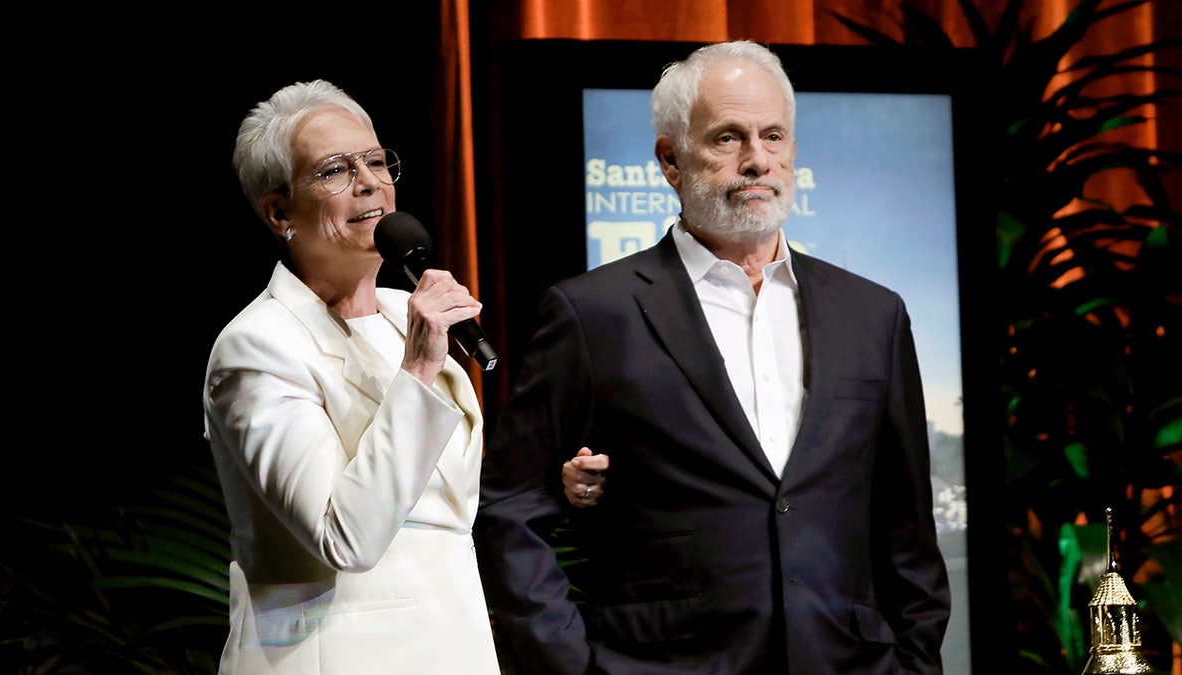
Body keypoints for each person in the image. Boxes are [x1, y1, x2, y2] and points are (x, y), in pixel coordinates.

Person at [474, 40, 951, 674]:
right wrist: (570, 666)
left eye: (773, 136)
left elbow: (907, 528)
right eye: (729, 138)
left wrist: (915, 663)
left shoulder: (874, 314)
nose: (757, 160)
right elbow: (513, 508)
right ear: (671, 160)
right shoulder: (592, 313)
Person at [202, 79, 501, 674]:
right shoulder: (258, 347)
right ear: (279, 211)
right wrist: (418, 369)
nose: (369, 183)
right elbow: (344, 537)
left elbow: (447, 514)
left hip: (452, 645)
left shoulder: (400, 312)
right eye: (334, 169)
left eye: (375, 161)